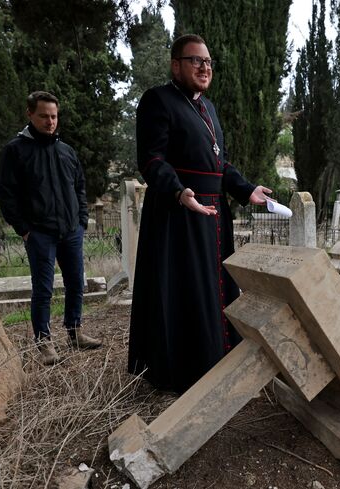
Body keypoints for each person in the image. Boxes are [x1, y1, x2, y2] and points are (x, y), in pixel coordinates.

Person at [128, 34, 273, 394]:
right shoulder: (157, 100)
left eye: (208, 62)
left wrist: (245, 189)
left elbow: (218, 163)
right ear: (176, 64)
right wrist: (179, 191)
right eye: (196, 61)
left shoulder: (208, 108)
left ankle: (216, 361)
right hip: (177, 215)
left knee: (214, 289)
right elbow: (151, 159)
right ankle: (180, 372)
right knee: (183, 292)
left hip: (212, 214)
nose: (205, 67)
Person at [0, 91, 103, 366]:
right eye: (44, 116)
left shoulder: (66, 150)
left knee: (76, 284)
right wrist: (24, 229)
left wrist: (81, 220)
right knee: (43, 290)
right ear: (29, 114)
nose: (50, 121)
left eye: (54, 116)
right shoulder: (15, 150)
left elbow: (79, 186)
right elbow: (6, 195)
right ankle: (44, 343)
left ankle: (75, 332)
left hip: (70, 231)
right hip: (39, 233)